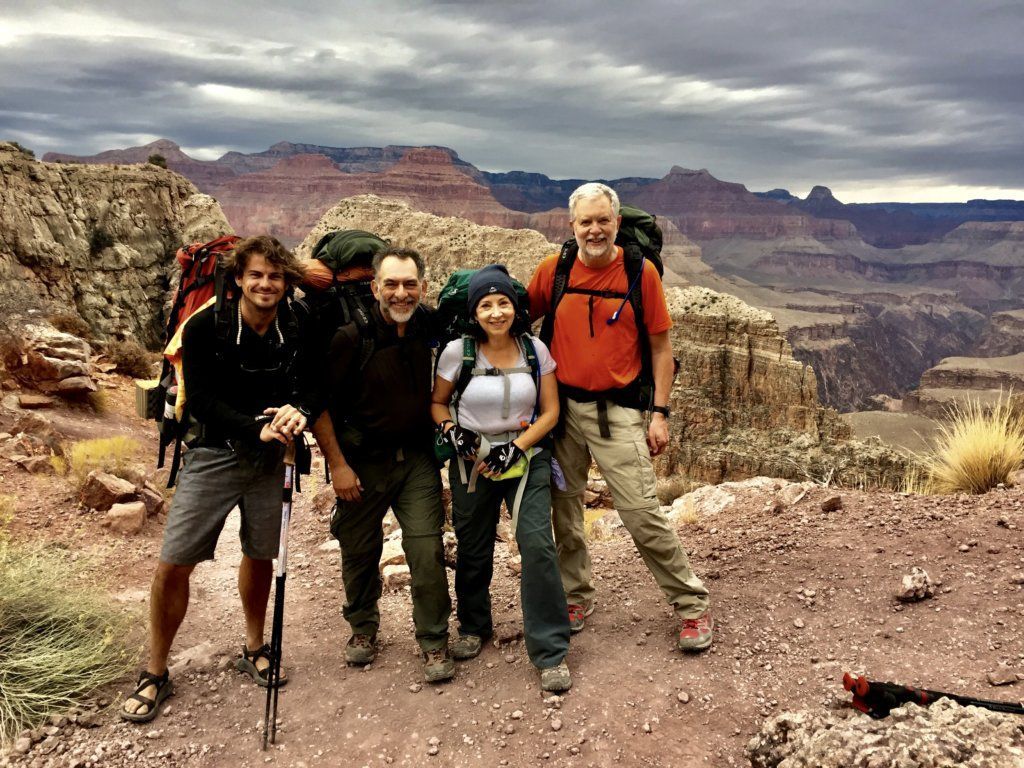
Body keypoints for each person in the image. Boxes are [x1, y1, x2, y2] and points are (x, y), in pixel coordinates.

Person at [122, 235, 310, 722]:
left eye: (275, 276)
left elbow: (308, 384)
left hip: (274, 459)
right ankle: (155, 671)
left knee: (261, 553)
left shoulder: (297, 324)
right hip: (213, 454)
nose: (265, 284)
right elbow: (200, 399)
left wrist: (298, 411)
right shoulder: (206, 326)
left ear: (286, 282)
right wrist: (255, 427)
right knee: (174, 562)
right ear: (239, 280)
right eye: (256, 275)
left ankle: (253, 645)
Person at [527, 183, 713, 652]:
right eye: (585, 221)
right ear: (571, 226)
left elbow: (661, 349)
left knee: (641, 512)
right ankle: (576, 596)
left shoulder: (639, 271)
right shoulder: (555, 270)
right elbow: (512, 324)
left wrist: (660, 413)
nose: (594, 229)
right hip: (562, 413)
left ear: (616, 223)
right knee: (564, 512)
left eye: (603, 220)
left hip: (620, 412)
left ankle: (692, 604)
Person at [311, 246, 454, 683]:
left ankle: (433, 640)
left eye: (410, 284)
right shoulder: (349, 338)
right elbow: (319, 406)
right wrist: (337, 465)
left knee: (427, 550)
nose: (400, 293)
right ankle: (362, 629)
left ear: (423, 288)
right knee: (359, 550)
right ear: (375, 287)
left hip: (416, 460)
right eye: (390, 284)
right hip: (362, 463)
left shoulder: (426, 324)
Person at [431, 265, 572, 692]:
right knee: (473, 545)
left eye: (503, 303)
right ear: (474, 312)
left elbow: (551, 412)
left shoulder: (535, 350)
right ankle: (474, 626)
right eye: (486, 305)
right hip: (472, 459)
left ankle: (549, 651)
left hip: (524, 457)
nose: (496, 312)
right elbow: (437, 404)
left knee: (537, 544)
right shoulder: (458, 352)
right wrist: (452, 431)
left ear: (515, 307)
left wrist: (519, 445)